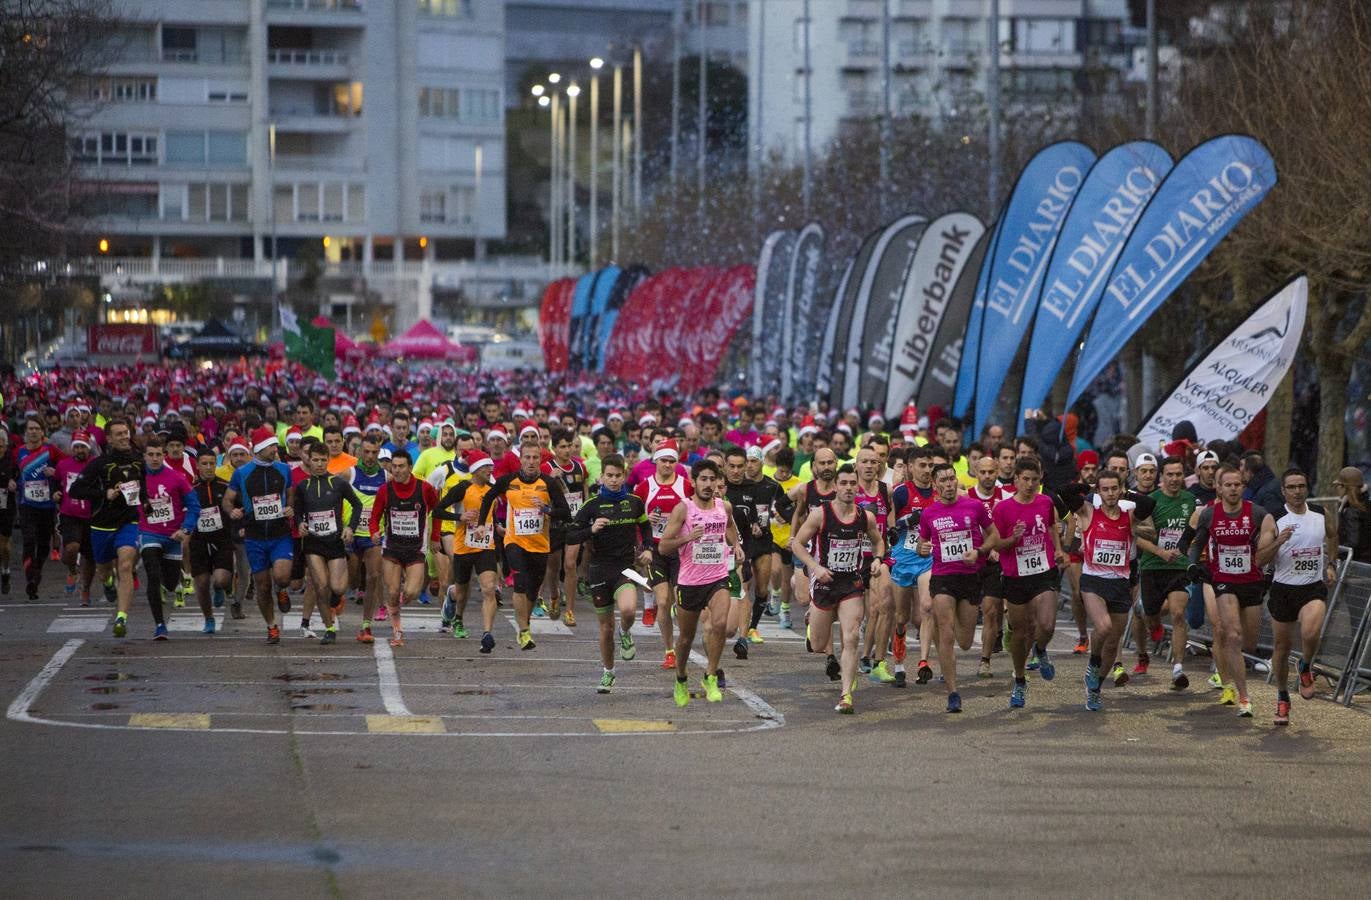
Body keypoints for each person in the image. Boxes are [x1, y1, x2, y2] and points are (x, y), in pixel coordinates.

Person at [1181, 465, 1280, 718]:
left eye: (1237, 484)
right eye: (1228, 485)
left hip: (1251, 583)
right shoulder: (1209, 515)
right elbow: (1196, 544)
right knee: (1232, 635)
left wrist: (1268, 568)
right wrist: (1193, 564)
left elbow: (1268, 549)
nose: (1233, 489)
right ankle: (1242, 696)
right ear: (1219, 488)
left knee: (1248, 642)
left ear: (1243, 487)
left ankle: (1233, 679)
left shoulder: (1257, 514)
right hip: (1222, 581)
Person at [789, 463, 886, 713]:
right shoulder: (820, 514)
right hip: (824, 581)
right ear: (836, 487)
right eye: (843, 483)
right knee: (820, 644)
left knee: (851, 636)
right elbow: (797, 544)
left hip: (851, 582)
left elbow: (879, 543)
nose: (849, 488)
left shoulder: (866, 516)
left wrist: (877, 560)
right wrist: (815, 568)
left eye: (853, 483)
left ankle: (846, 696)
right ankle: (813, 618)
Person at [982, 457, 1069, 709]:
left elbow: (1052, 527)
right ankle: (1019, 679)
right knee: (1020, 633)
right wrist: (1013, 538)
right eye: (1026, 479)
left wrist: (1059, 550)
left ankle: (1040, 650)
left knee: (1047, 624)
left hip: (1044, 571)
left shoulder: (1045, 502)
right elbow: (997, 544)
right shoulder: (1003, 509)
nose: (1030, 485)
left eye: (1035, 480)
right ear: (1016, 480)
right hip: (1015, 575)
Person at [658, 458, 745, 708]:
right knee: (686, 637)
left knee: (719, 624)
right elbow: (663, 546)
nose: (709, 484)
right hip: (689, 582)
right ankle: (681, 678)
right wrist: (687, 538)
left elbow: (729, 528)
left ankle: (710, 675)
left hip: (718, 577)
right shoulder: (683, 509)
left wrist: (736, 546)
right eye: (703, 480)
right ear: (694, 482)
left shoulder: (723, 507)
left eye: (713, 480)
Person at [564, 454, 652, 693]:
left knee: (628, 610)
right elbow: (570, 535)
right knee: (605, 629)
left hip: (625, 568)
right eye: (609, 476)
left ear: (624, 476)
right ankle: (608, 672)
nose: (614, 480)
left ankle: (625, 631)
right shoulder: (591, 505)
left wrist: (648, 549)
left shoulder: (634, 502)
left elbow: (645, 527)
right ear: (601, 477)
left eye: (618, 476)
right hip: (599, 570)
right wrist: (590, 530)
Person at [916, 462, 994, 712]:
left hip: (970, 577)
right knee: (946, 631)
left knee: (966, 641)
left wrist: (980, 550)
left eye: (952, 479)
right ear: (935, 485)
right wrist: (922, 548)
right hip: (943, 578)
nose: (949, 484)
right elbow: (922, 542)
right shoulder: (930, 513)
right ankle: (953, 692)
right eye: (944, 480)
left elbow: (993, 535)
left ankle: (948, 641)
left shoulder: (974, 506)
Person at [478, 443, 570, 651]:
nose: (530, 462)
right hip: (514, 541)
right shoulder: (508, 481)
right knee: (519, 583)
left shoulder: (548, 483)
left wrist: (546, 509)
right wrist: (483, 524)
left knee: (532, 590)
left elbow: (565, 512)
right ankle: (524, 631)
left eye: (535, 458)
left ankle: (524, 625)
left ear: (540, 460)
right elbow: (489, 497)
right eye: (526, 457)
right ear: (520, 459)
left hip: (539, 545)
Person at [1075, 471, 1155, 711]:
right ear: (1098, 492)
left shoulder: (1129, 515)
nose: (1110, 494)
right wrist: (1087, 486)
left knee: (1113, 643)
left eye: (1114, 489)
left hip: (1120, 582)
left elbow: (1149, 504)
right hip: (1093, 580)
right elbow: (1065, 494)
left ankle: (1095, 688)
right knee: (1104, 627)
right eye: (1105, 489)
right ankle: (1093, 661)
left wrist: (1127, 492)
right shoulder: (1090, 512)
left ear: (1121, 490)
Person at [1267, 467, 1339, 725]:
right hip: (1283, 589)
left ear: (1307, 488)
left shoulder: (1320, 513)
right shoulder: (1274, 518)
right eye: (1292, 487)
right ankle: (1282, 698)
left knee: (1310, 633)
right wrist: (1278, 542)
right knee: (1282, 648)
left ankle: (1306, 666)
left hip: (1311, 587)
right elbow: (1260, 557)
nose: (1297, 491)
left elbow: (1332, 536)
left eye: (1301, 486)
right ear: (1283, 491)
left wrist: (1331, 564)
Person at [68, 418, 143, 636]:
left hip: (129, 522)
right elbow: (75, 491)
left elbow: (146, 488)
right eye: (119, 434)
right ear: (108, 439)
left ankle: (121, 618)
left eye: (126, 433)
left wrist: (146, 503)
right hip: (101, 526)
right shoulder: (98, 464)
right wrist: (104, 494)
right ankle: (108, 582)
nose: (124, 437)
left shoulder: (138, 461)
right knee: (103, 570)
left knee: (126, 565)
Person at [223, 426, 296, 644]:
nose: (276, 449)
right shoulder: (242, 473)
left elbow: (291, 495)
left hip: (280, 533)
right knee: (262, 586)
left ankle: (282, 589)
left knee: (282, 576)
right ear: (261, 448)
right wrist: (232, 510)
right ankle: (272, 625)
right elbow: (227, 500)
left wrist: (290, 508)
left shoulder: (284, 469)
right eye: (272, 446)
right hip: (255, 537)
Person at [294, 442, 363, 646]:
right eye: (315, 460)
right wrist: (299, 524)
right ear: (308, 460)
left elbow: (357, 504)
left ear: (328, 461)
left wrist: (350, 526)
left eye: (323, 460)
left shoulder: (338, 483)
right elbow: (297, 511)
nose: (319, 464)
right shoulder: (302, 486)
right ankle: (329, 628)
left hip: (334, 542)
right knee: (321, 586)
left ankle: (337, 597)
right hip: (313, 543)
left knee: (338, 587)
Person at [369, 449, 439, 647]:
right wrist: (374, 532)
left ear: (410, 467)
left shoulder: (424, 489)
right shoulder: (385, 490)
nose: (397, 470)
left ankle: (396, 605)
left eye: (401, 466)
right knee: (391, 591)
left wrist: (434, 537)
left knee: (412, 592)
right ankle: (397, 630)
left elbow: (438, 511)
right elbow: (374, 516)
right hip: (392, 548)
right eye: (394, 466)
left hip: (416, 549)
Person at [634, 438, 692, 667]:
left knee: (681, 602)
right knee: (663, 600)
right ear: (656, 461)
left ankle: (682, 642)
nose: (668, 465)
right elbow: (635, 519)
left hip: (680, 550)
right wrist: (645, 528)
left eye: (672, 461)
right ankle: (669, 651)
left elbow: (695, 511)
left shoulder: (686, 485)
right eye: (664, 461)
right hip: (655, 550)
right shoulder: (645, 487)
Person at [434, 451, 499, 651]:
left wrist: (498, 526)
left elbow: (491, 516)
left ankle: (487, 634)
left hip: (486, 546)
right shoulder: (462, 488)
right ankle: (452, 599)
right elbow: (437, 510)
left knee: (489, 589)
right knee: (461, 591)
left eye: (491, 467)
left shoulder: (492, 490)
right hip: (464, 547)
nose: (490, 470)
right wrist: (459, 517)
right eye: (486, 467)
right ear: (476, 469)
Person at [137, 435, 200, 640]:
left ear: (163, 456)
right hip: (149, 534)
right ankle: (160, 625)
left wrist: (186, 529)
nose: (154, 459)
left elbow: (194, 506)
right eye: (150, 455)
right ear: (144, 457)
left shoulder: (176, 478)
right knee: (153, 575)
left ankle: (171, 585)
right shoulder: (137, 479)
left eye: (158, 455)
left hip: (173, 536)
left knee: (171, 582)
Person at [890, 447, 938, 686]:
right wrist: (908, 520)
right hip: (902, 558)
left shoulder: (939, 493)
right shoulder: (901, 493)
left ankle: (923, 662)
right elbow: (888, 525)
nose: (927, 470)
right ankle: (898, 662)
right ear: (910, 467)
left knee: (927, 608)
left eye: (930, 466)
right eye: (922, 465)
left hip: (928, 558)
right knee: (901, 617)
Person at [541, 427, 588, 626]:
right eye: (563, 447)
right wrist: (550, 478)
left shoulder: (580, 467)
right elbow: (540, 492)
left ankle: (569, 610)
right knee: (553, 565)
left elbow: (584, 492)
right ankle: (553, 594)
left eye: (569, 446)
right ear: (554, 448)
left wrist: (586, 516)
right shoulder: (546, 467)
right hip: (554, 522)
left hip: (574, 523)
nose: (567, 450)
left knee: (570, 565)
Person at [13, 418, 63, 599]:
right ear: (25, 432)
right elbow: (11, 470)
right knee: (28, 540)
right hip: (27, 505)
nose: (33, 432)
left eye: (37, 429)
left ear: (43, 432)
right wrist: (12, 481)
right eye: (30, 428)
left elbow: (66, 466)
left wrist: (56, 473)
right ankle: (30, 579)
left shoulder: (50, 451)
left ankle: (37, 570)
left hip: (47, 505)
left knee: (43, 544)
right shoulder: (18, 452)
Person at [346, 436, 387, 640]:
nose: (370, 456)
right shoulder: (350, 473)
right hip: (352, 536)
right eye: (367, 452)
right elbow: (328, 487)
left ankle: (366, 625)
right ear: (360, 452)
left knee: (373, 577)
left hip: (373, 536)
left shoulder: (385, 476)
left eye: (374, 452)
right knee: (353, 583)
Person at [188, 450, 233, 633]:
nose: (208, 468)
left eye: (211, 464)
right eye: (204, 464)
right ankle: (209, 618)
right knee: (202, 582)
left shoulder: (225, 486)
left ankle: (220, 588)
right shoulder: (189, 489)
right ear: (197, 466)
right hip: (198, 541)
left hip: (222, 539)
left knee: (221, 579)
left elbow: (236, 507)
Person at [54, 431, 95, 604]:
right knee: (71, 548)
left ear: (88, 449)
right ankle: (72, 570)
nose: (79, 450)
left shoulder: (95, 464)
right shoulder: (63, 465)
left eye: (82, 447)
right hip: (69, 514)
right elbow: (56, 484)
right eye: (76, 447)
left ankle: (85, 589)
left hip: (92, 515)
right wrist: (55, 493)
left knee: (90, 557)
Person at [1334, 467, 1371, 562]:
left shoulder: (1351, 511)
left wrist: (1334, 552)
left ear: (1344, 487)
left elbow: (1353, 543)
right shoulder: (1366, 505)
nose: (1336, 488)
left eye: (1337, 485)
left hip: (1356, 565)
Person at [0, 428, 16, 594]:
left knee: (3, 545)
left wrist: (13, 481)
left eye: (1, 446)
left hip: (6, 505)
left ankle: (5, 570)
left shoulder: (11, 460)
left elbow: (19, 475)